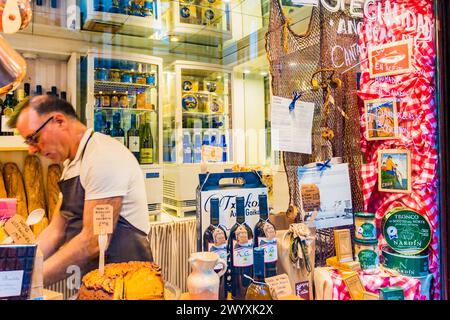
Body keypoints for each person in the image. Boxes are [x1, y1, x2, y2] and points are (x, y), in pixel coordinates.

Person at [8, 96, 153, 286]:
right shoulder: (71, 164)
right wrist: (18, 266)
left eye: (33, 139)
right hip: (96, 283)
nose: (31, 150)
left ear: (59, 121)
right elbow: (56, 230)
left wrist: (27, 281)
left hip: (129, 285)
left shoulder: (103, 157)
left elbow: (92, 242)